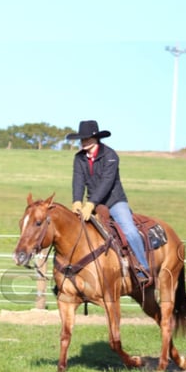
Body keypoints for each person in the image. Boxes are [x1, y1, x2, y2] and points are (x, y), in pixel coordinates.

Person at [66, 120, 150, 284]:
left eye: (87, 138)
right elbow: (78, 180)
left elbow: (107, 182)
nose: (83, 142)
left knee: (130, 231)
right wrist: (76, 201)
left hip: (114, 201)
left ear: (96, 138)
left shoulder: (110, 156)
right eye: (81, 139)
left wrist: (90, 204)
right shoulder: (79, 158)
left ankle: (143, 268)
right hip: (94, 203)